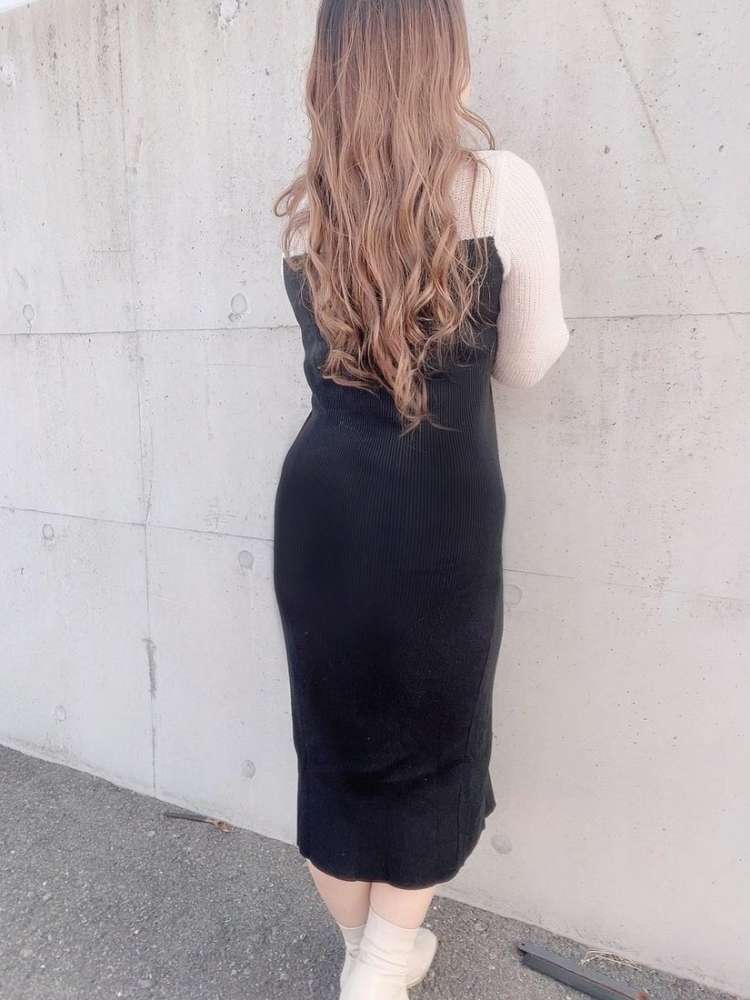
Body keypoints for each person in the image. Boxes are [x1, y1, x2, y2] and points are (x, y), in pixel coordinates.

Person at [271, 1, 569, 996]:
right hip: (440, 520)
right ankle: (382, 962)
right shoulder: (499, 186)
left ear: (332, 70)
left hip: (320, 515)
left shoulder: (308, 212)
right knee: (434, 743)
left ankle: (371, 952)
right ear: (442, 61)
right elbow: (528, 361)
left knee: (336, 751)